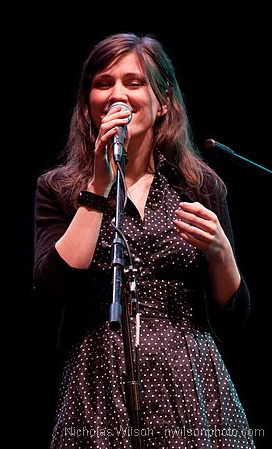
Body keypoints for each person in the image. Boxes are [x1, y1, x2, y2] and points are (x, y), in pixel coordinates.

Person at [34, 32, 256, 448]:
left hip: (189, 381)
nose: (118, 94)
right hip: (96, 385)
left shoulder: (198, 186)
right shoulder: (59, 188)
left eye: (134, 83)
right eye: (104, 83)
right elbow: (50, 291)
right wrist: (98, 188)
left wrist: (220, 251)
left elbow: (234, 319)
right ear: (87, 105)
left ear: (163, 103)